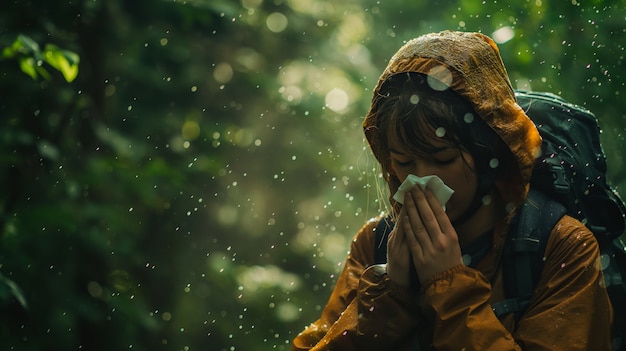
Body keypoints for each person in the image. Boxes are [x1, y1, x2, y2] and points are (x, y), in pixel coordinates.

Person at [292, 30, 613, 350]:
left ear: (489, 152)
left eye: (442, 158)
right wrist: (391, 291)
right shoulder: (375, 243)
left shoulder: (562, 247)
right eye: (404, 162)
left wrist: (449, 285)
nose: (420, 180)